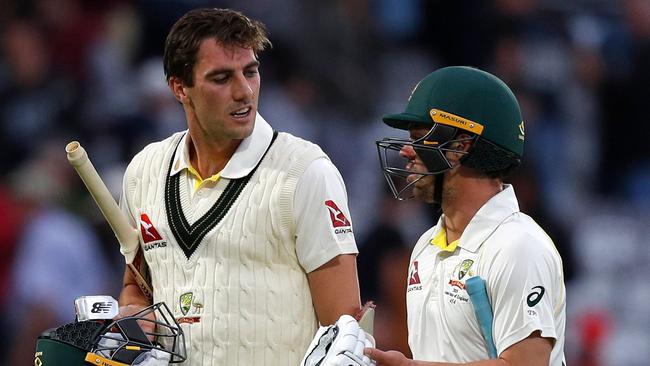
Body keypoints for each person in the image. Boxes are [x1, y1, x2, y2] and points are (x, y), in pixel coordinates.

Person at [118, 8, 362, 365]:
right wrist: (135, 319)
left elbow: (344, 333)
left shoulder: (306, 172)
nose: (244, 91)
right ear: (179, 88)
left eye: (251, 71)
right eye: (221, 78)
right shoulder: (143, 171)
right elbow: (136, 288)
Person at [367, 66, 566, 365]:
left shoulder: (518, 247)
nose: (407, 151)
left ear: (461, 146)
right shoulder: (426, 246)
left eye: (420, 138)